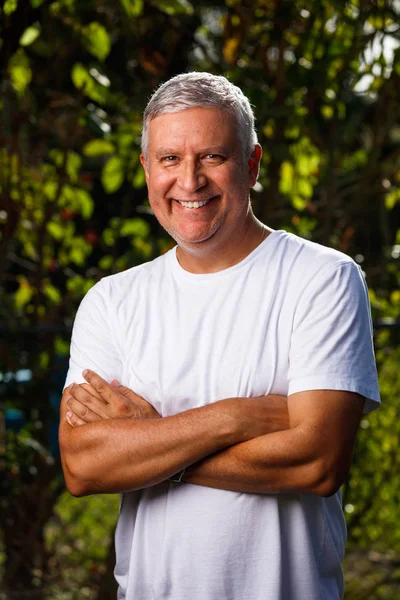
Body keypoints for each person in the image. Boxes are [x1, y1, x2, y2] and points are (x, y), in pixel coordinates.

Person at [59, 72, 380, 600]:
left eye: (212, 157)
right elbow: (84, 464)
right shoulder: (112, 301)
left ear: (251, 165)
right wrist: (237, 417)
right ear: (146, 169)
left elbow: (319, 461)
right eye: (169, 159)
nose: (189, 182)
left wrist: (152, 443)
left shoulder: (322, 278)